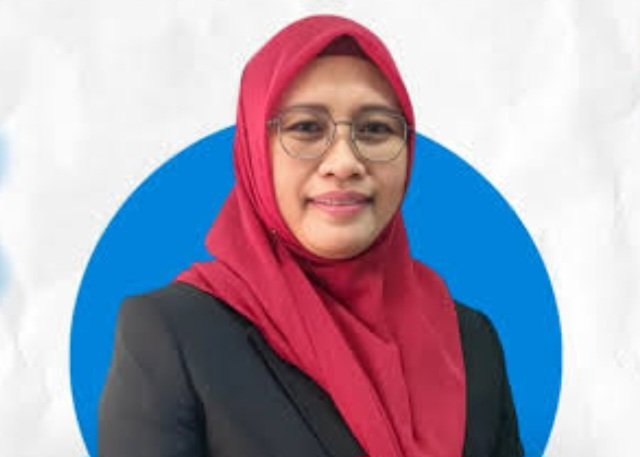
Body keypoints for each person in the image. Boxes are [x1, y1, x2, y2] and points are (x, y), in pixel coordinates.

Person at [99, 14, 523, 457]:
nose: (344, 163)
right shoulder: (173, 333)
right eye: (306, 127)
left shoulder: (471, 340)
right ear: (254, 151)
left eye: (375, 129)